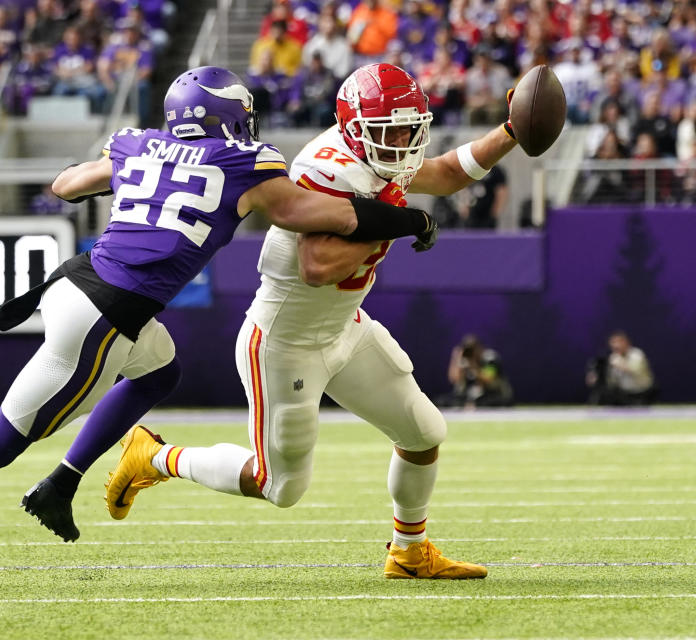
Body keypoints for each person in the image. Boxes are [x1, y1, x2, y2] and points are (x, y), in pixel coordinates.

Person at [0, 65, 440, 591]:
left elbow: (65, 185)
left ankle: (63, 483)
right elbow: (323, 212)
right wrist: (407, 216)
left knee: (159, 372)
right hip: (106, 316)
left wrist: (121, 163)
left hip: (80, 281)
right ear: (231, 120)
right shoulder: (244, 164)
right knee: (4, 439)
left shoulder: (137, 144)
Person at [105, 63, 528, 580]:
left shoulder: (374, 147)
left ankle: (409, 552)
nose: (400, 141)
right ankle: (154, 455)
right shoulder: (330, 170)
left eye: (407, 128)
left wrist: (511, 132)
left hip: (344, 328)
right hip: (285, 342)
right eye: (389, 131)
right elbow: (318, 266)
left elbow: (444, 172)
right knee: (278, 485)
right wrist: (392, 219)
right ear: (354, 128)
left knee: (423, 432)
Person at [586, 331, 656, 406]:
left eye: (618, 342)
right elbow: (611, 380)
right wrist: (596, 376)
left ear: (626, 342)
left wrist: (619, 364)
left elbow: (633, 370)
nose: (615, 345)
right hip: (624, 394)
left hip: (642, 392)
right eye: (613, 342)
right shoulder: (614, 357)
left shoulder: (636, 354)